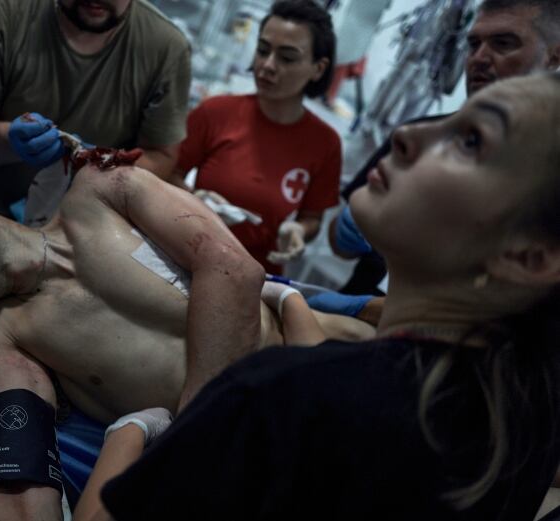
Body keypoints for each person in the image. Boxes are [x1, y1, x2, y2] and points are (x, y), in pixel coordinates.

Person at [81, 72, 560, 521]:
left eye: (471, 140)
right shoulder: (525, 422)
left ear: (529, 257)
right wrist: (293, 303)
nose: (405, 134)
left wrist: (128, 433)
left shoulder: (278, 400)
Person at [0, 159, 372, 520]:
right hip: (274, 461)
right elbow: (20, 476)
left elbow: (233, 268)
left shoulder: (102, 188)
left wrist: (198, 435)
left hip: (350, 363)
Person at [329, 0, 560, 296]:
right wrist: (354, 226)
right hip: (354, 317)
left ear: (554, 56)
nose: (479, 57)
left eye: (503, 44)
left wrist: (372, 315)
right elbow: (340, 243)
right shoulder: (419, 135)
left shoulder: (546, 183)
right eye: (473, 44)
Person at [0, 0, 191, 217]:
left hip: (86, 228)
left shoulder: (166, 50)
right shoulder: (2, 11)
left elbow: (161, 156)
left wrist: (102, 166)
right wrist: (7, 140)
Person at [172, 0, 341, 274]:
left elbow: (312, 218)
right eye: (263, 51)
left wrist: (297, 229)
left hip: (258, 278)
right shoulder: (216, 112)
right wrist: (193, 198)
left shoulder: (325, 143)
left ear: (318, 68)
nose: (268, 65)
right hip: (191, 259)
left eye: (287, 58)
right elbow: (169, 172)